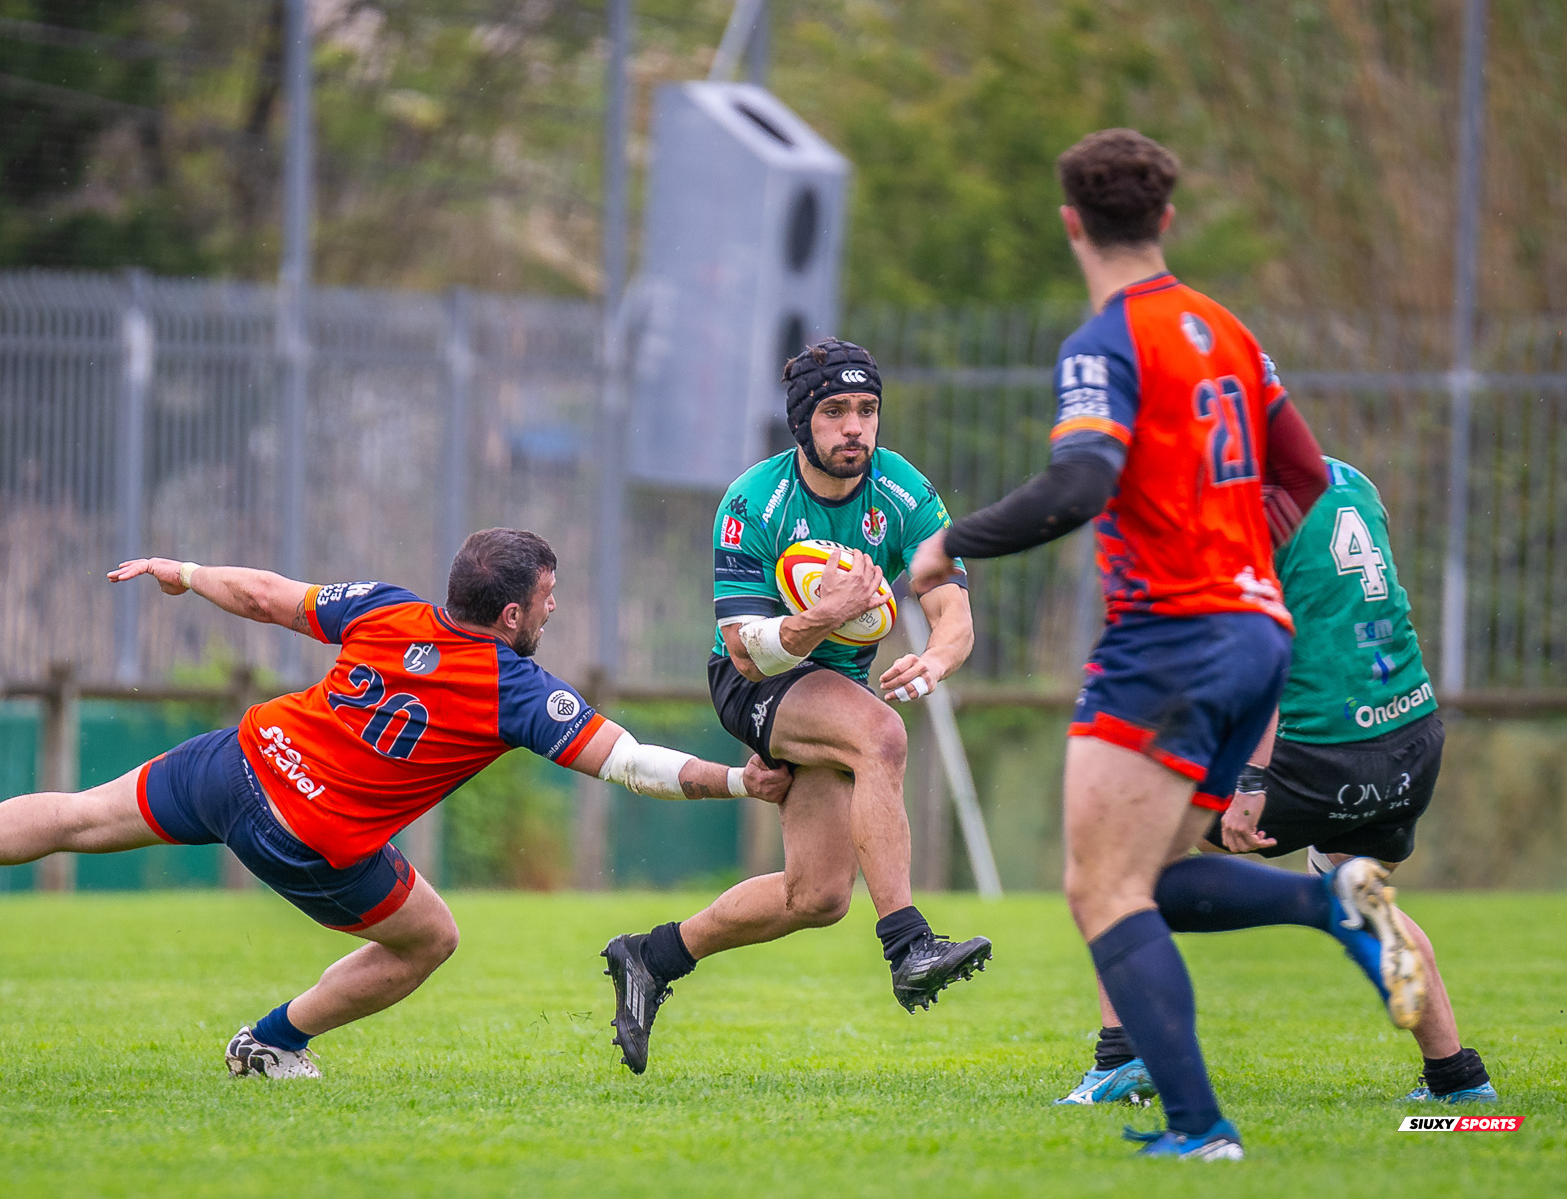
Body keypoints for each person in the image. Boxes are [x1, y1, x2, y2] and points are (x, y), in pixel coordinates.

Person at [0, 528, 792, 1080]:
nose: (552, 613)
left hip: (244, 757)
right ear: (510, 614)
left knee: (79, 813)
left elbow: (270, 594)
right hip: (310, 836)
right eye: (546, 601)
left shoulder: (387, 606)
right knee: (431, 939)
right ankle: (271, 1042)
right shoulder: (516, 691)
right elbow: (632, 764)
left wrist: (186, 572)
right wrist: (737, 780)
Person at [908, 129, 1424, 1160]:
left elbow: (1080, 482)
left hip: (1172, 637)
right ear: (1166, 220)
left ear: (1071, 223)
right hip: (1257, 633)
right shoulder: (1226, 329)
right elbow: (1307, 470)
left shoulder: (1105, 341)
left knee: (1097, 889)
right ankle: (1327, 901)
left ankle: (1203, 1125)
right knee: (1146, 875)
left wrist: (946, 544)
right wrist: (1231, 545)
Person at [601, 338, 991, 1077]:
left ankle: (649, 958)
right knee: (880, 734)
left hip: (830, 688)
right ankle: (909, 944)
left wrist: (936, 658)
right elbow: (746, 650)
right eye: (836, 410)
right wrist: (827, 612)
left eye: (867, 409)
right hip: (755, 682)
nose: (855, 427)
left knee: (816, 895)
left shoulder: (904, 491)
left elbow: (955, 611)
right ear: (802, 421)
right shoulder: (754, 501)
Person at [1058, 458, 1495, 1107]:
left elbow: (1261, 648)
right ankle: (1458, 1079)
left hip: (1318, 748)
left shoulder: (1247, 508)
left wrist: (1250, 779)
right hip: (1408, 736)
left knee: (1115, 861)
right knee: (1368, 898)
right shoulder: (1352, 479)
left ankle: (1125, 1056)